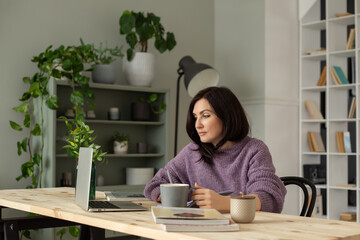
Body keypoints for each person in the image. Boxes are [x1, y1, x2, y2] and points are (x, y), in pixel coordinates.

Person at [144, 86, 286, 213]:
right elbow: (155, 184)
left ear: (227, 116)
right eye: (195, 117)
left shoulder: (254, 150)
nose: (197, 125)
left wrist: (224, 203)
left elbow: (268, 198)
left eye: (205, 116)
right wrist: (173, 196)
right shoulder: (193, 151)